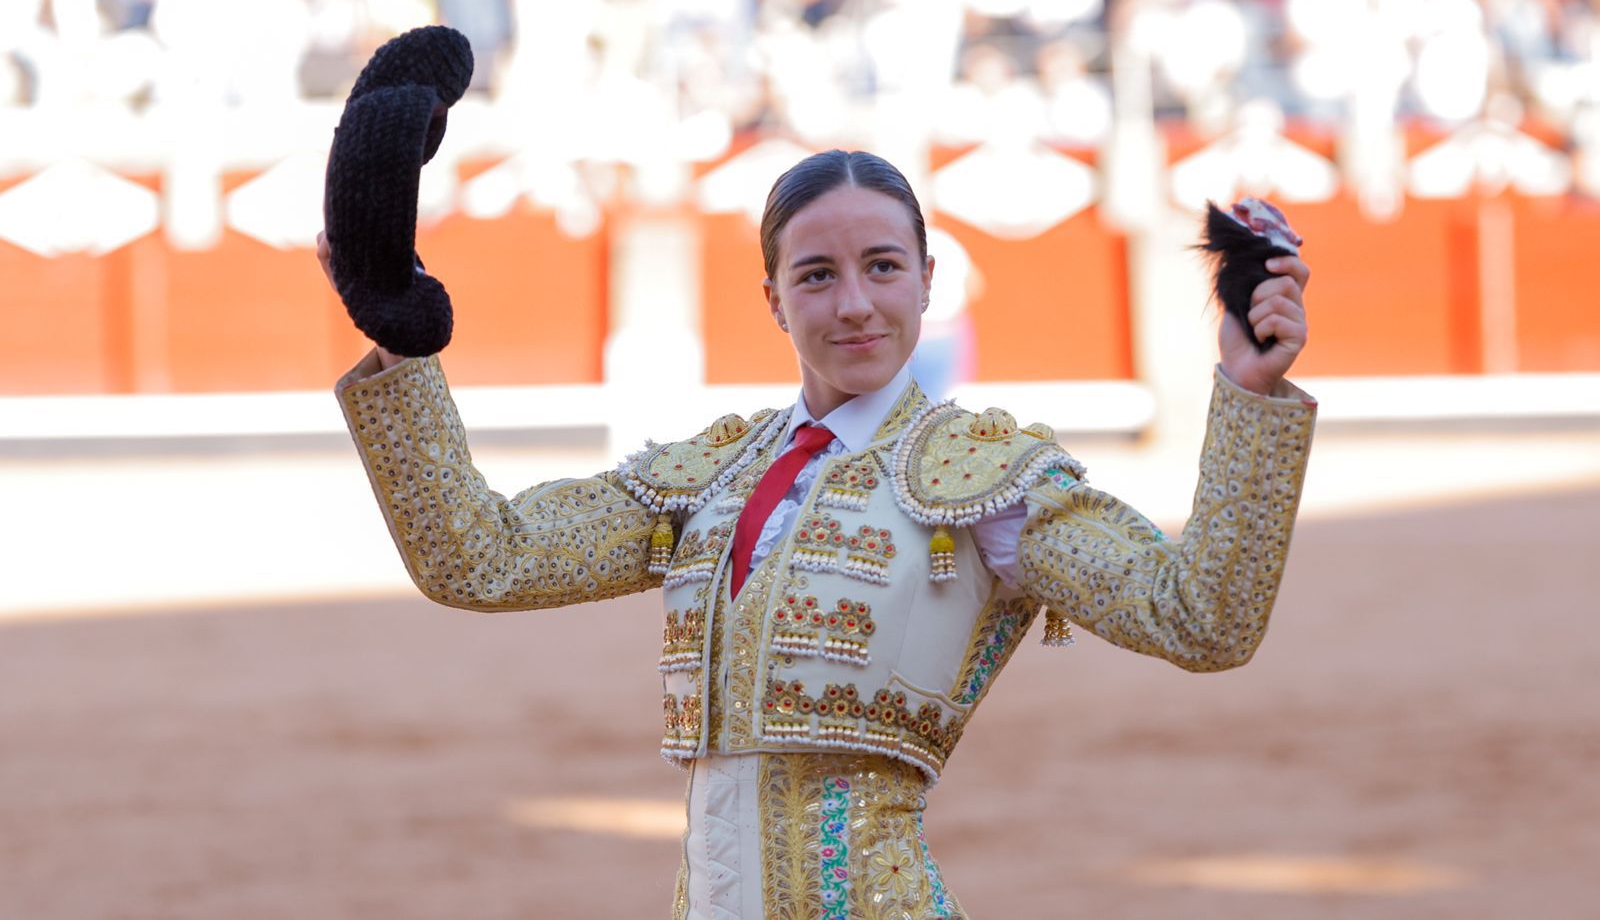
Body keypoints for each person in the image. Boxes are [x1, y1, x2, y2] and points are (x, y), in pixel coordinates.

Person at [320, 149, 1315, 918]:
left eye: (882, 266)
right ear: (772, 299)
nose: (854, 303)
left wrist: (1247, 397)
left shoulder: (987, 480)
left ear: (927, 280)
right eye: (816, 274)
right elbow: (480, 557)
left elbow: (1201, 617)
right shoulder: (706, 473)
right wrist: (396, 346)